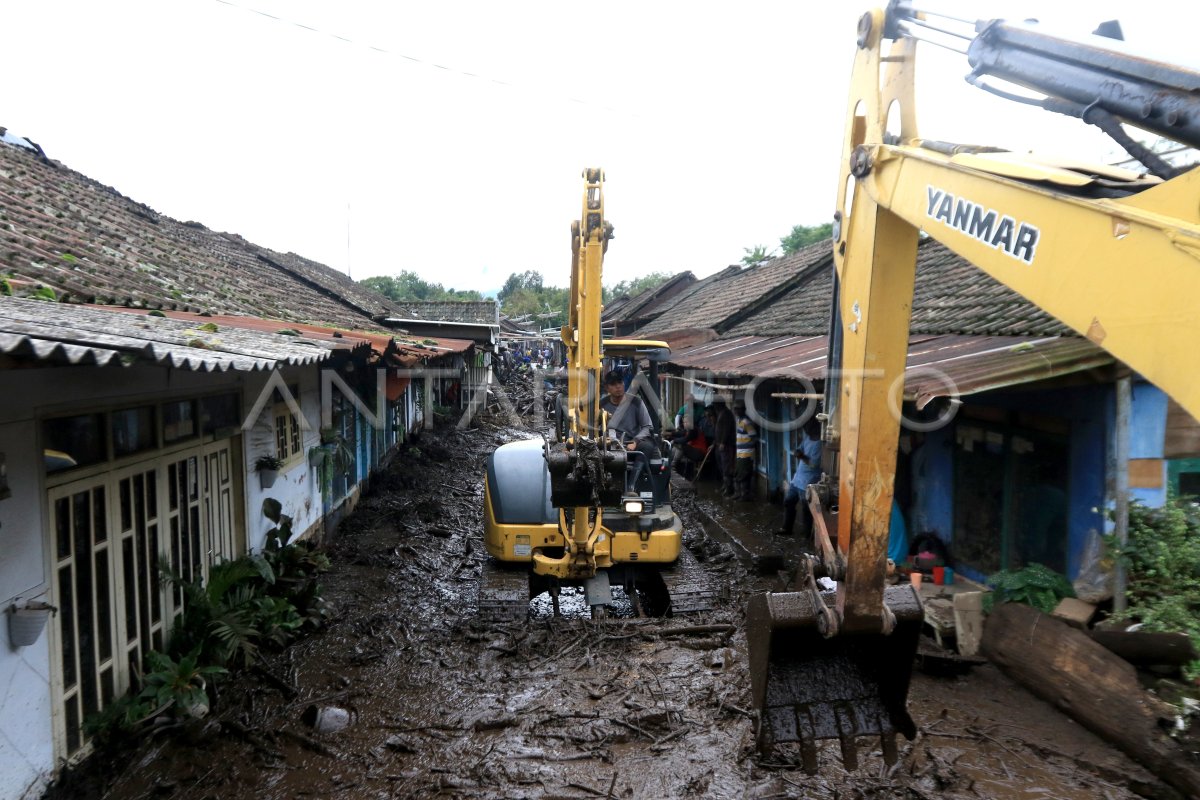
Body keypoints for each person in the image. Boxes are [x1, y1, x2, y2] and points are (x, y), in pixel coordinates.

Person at [600, 370, 657, 490]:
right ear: (607, 388)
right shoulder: (601, 405)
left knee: (647, 446)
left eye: (620, 382)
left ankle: (632, 484)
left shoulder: (636, 402)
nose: (618, 386)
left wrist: (635, 441)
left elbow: (647, 426)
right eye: (613, 384)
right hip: (609, 445)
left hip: (632, 444)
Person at [779, 416, 822, 537]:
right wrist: (798, 451)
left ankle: (806, 534)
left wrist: (802, 456)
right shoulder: (807, 438)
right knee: (789, 502)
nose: (805, 430)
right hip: (798, 478)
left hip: (809, 480)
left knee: (806, 509)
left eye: (806, 427)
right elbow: (801, 449)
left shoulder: (819, 443)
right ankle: (786, 528)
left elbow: (814, 464)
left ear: (814, 427)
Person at [732, 399, 758, 500]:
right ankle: (739, 494)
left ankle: (744, 495)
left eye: (737, 409)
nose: (735, 411)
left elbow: (754, 438)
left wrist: (748, 448)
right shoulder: (739, 421)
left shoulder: (746, 422)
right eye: (734, 409)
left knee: (743, 475)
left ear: (743, 410)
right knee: (739, 473)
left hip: (746, 454)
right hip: (740, 453)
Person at [712, 398, 736, 496]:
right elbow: (719, 430)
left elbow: (726, 430)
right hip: (719, 444)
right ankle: (725, 486)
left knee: (726, 466)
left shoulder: (726, 414)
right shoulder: (720, 413)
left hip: (726, 445)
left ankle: (729, 488)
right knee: (721, 466)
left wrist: (722, 442)